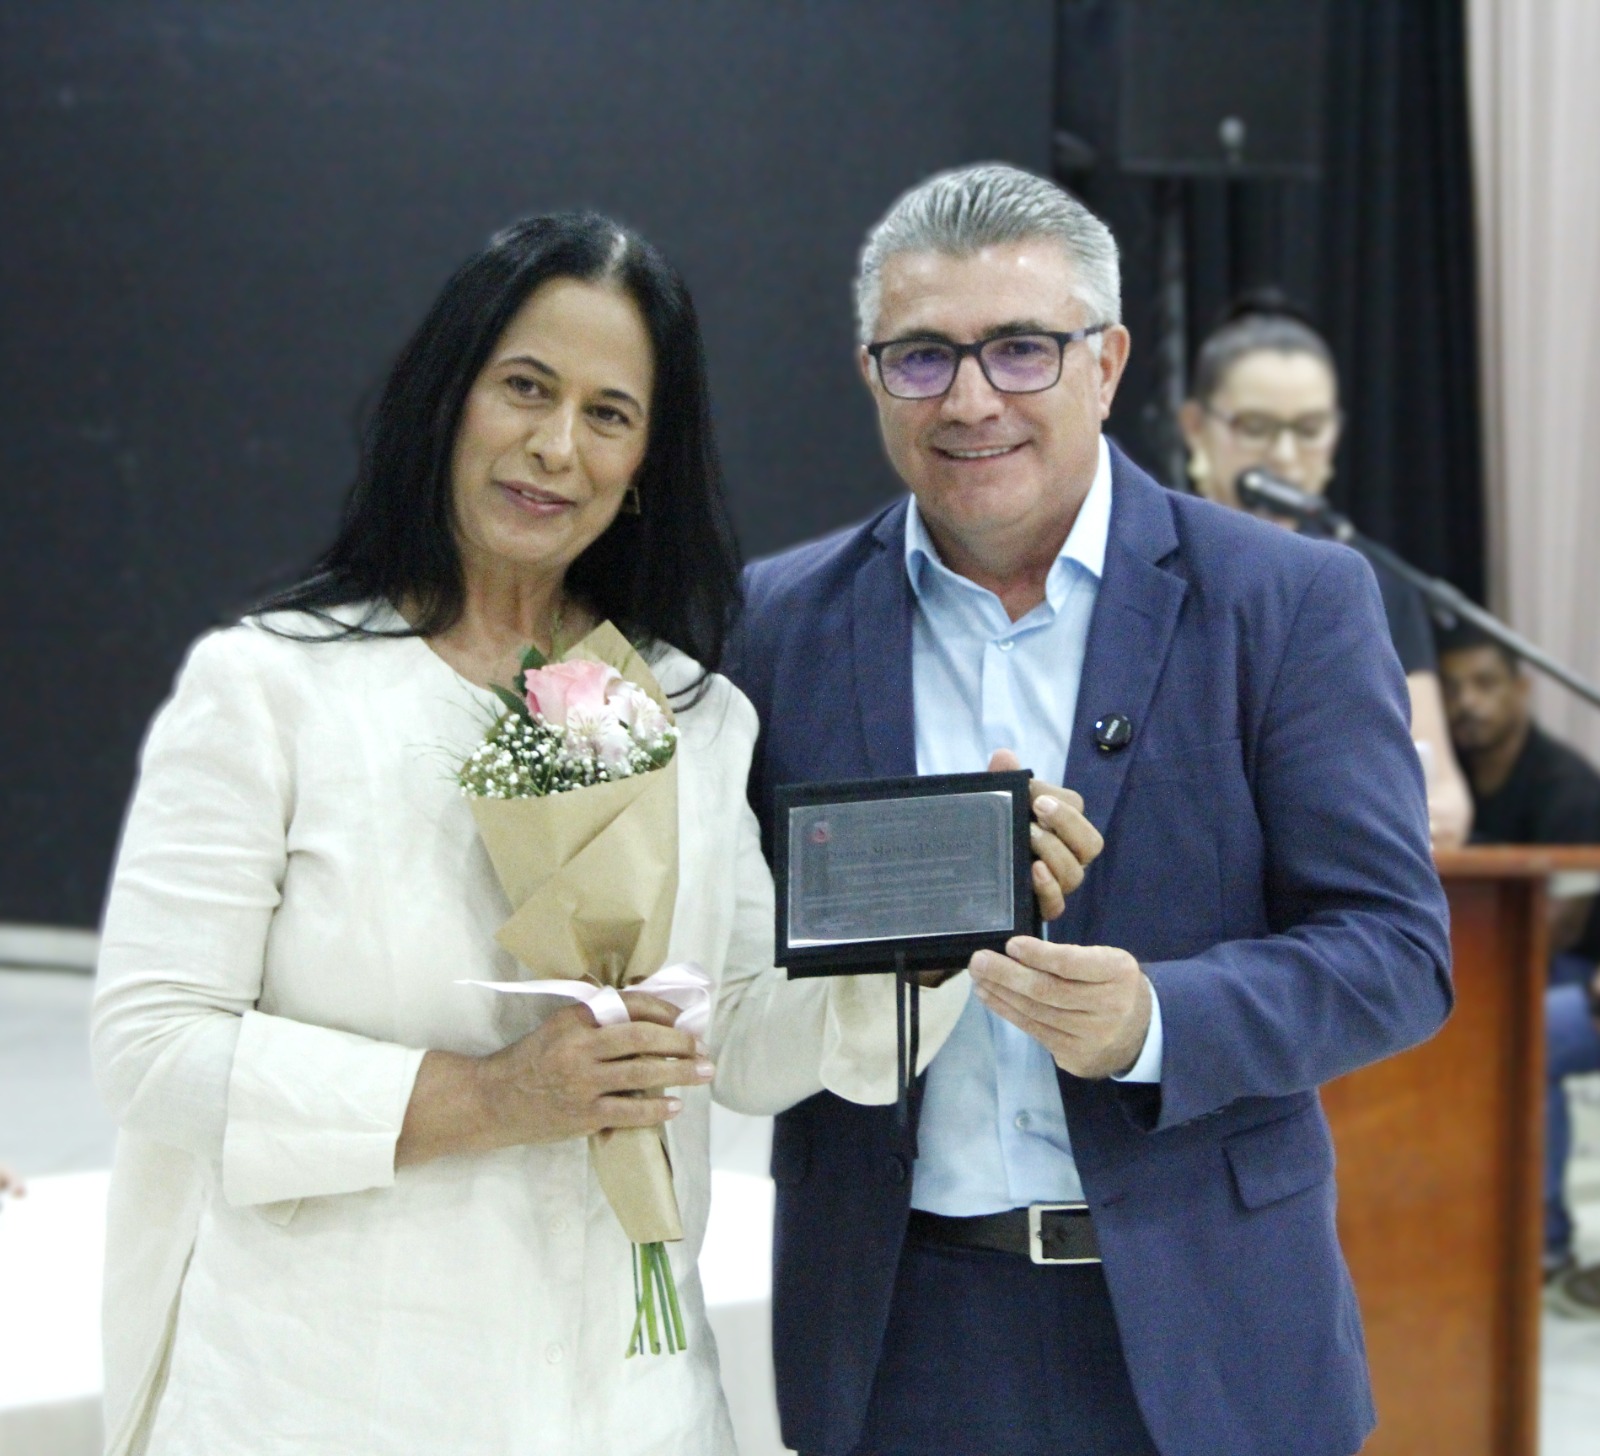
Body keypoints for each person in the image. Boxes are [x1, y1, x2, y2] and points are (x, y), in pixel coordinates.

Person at [720, 164, 1453, 1456]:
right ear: (871, 375)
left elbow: (1396, 953)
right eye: (922, 357)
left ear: (1106, 365)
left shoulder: (1286, 602)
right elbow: (732, 960)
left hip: (1208, 1325)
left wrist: (1155, 1021)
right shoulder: (775, 625)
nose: (970, 400)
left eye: (1021, 349)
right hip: (894, 1329)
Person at [91, 213, 753, 1456]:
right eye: (525, 388)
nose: (556, 446)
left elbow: (750, 1032)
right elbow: (153, 1044)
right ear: (447, 398)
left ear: (646, 461)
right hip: (323, 1399)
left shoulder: (696, 715)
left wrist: (942, 945)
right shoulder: (270, 687)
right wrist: (495, 1096)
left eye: (609, 413)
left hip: (627, 1405)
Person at [1177, 294, 1474, 849]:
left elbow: (1445, 795)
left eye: (1310, 429)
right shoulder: (1154, 566)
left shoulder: (1375, 580)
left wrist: (1416, 816)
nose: (1285, 456)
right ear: (1196, 427)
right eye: (1256, 427)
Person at [1437, 623, 1600, 1315]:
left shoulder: (1567, 785)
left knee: (1522, 1036)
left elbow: (1558, 923)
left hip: (1570, 965)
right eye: (1453, 688)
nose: (1467, 703)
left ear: (1522, 689)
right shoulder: (1444, 778)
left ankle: (1542, 1239)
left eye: (1485, 685)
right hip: (1486, 959)